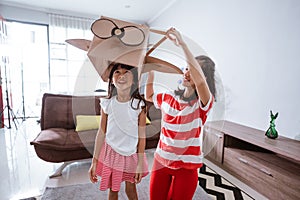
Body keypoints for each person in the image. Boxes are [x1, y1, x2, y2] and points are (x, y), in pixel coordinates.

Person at [145, 28, 216, 200]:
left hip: (187, 169)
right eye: (186, 69)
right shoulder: (168, 98)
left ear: (203, 78)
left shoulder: (202, 105)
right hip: (161, 161)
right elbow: (149, 95)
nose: (186, 72)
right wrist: (151, 70)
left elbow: (198, 80)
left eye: (193, 70)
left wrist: (182, 44)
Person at [89, 63, 149, 200]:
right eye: (117, 72)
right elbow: (101, 132)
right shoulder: (107, 103)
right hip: (112, 154)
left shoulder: (140, 105)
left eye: (126, 72)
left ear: (133, 79)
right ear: (111, 80)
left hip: (131, 154)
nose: (121, 75)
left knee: (131, 188)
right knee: (113, 189)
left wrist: (140, 163)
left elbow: (142, 137)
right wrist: (94, 161)